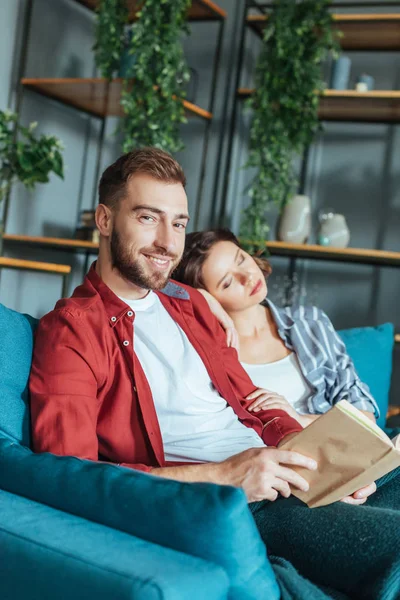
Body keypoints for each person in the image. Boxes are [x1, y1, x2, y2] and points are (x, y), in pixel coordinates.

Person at [29, 148, 400, 600]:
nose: (168, 241)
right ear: (105, 221)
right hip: (245, 503)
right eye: (148, 218)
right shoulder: (73, 329)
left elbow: (256, 406)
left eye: (179, 223)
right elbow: (70, 478)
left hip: (288, 472)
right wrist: (226, 476)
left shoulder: (190, 306)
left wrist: (323, 465)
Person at [172, 228, 379, 431]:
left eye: (241, 259)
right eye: (227, 283)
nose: (247, 277)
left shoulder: (309, 321)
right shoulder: (208, 352)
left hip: (336, 447)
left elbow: (364, 415)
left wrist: (299, 419)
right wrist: (196, 298)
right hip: (263, 456)